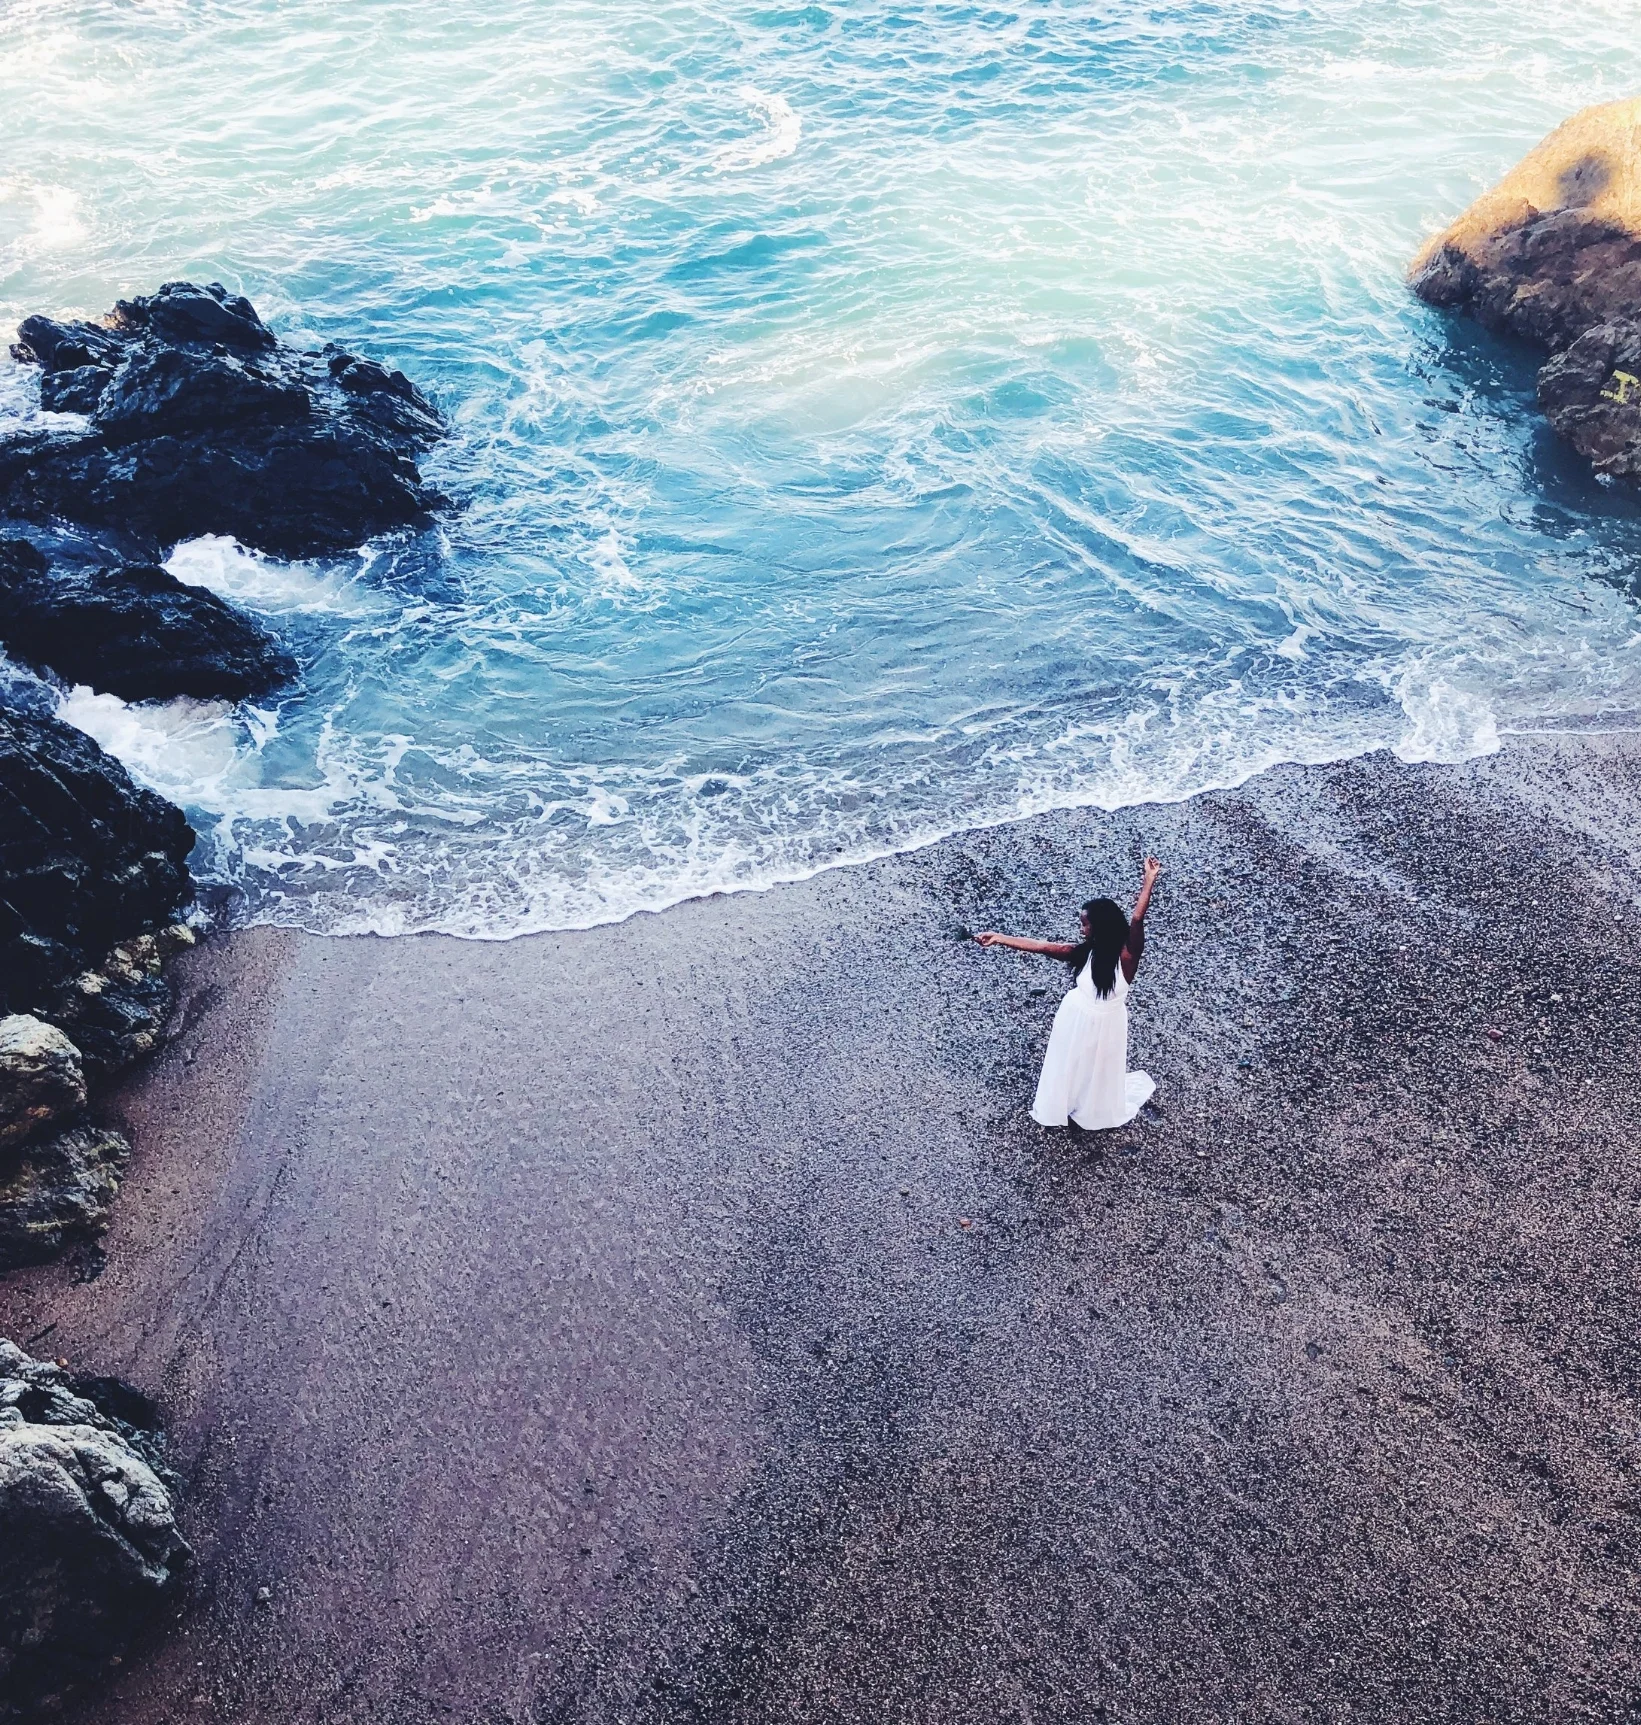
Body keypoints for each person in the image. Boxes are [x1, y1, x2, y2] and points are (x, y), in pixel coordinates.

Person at [976, 857, 1161, 1129]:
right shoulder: (1084, 952)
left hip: (1108, 1022)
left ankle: (1088, 1106)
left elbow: (1136, 919)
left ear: (1100, 927)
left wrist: (1149, 881)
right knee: (1070, 1063)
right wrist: (1000, 938)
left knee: (1098, 1067)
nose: (1081, 928)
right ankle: (1066, 1102)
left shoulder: (1127, 956)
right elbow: (1041, 946)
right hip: (1074, 1017)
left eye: (1085, 924)